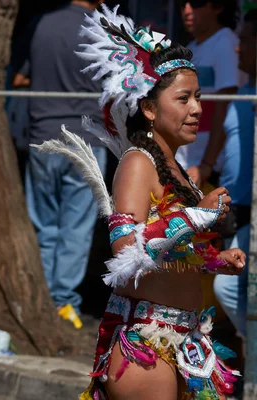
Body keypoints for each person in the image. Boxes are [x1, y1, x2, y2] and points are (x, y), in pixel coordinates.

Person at [34, 5, 245, 399]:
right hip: (147, 347)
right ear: (149, 108)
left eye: (198, 98)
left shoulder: (176, 167)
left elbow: (170, 252)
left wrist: (216, 261)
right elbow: (126, 249)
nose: (197, 109)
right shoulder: (137, 162)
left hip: (187, 339)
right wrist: (200, 214)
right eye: (183, 99)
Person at [24, 0, 107, 323]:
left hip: (42, 135)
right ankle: (62, 303)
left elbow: (21, 76)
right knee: (76, 228)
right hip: (84, 140)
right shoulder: (100, 29)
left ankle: (44, 300)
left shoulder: (41, 23)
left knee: (45, 225)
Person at [213, 8, 257, 346]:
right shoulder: (244, 93)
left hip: (252, 213)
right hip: (236, 212)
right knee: (231, 285)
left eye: (244, 40)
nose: (237, 48)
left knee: (227, 285)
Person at [176, 0, 241, 188]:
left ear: (218, 6)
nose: (187, 10)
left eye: (195, 3)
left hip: (210, 170)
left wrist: (207, 165)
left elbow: (225, 105)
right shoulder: (193, 47)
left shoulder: (226, 43)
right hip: (189, 165)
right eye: (182, 4)